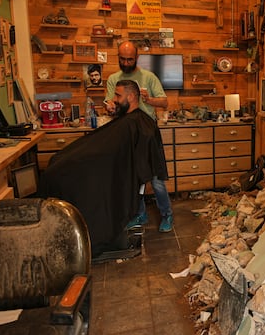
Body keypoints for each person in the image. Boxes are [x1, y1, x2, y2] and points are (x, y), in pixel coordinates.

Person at [38, 80, 168, 259]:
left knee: (61, 171)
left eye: (118, 96)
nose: (114, 99)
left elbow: (127, 155)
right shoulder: (129, 120)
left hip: (108, 166)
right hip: (108, 162)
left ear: (130, 97)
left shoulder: (139, 123)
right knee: (60, 161)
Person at [104, 41, 174, 233]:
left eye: (130, 59)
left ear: (137, 58)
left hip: (147, 134)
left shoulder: (148, 77)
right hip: (126, 133)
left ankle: (167, 214)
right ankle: (140, 214)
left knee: (156, 180)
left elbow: (165, 102)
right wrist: (110, 106)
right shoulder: (113, 79)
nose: (126, 63)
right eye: (122, 59)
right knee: (135, 179)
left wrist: (149, 99)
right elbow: (112, 102)